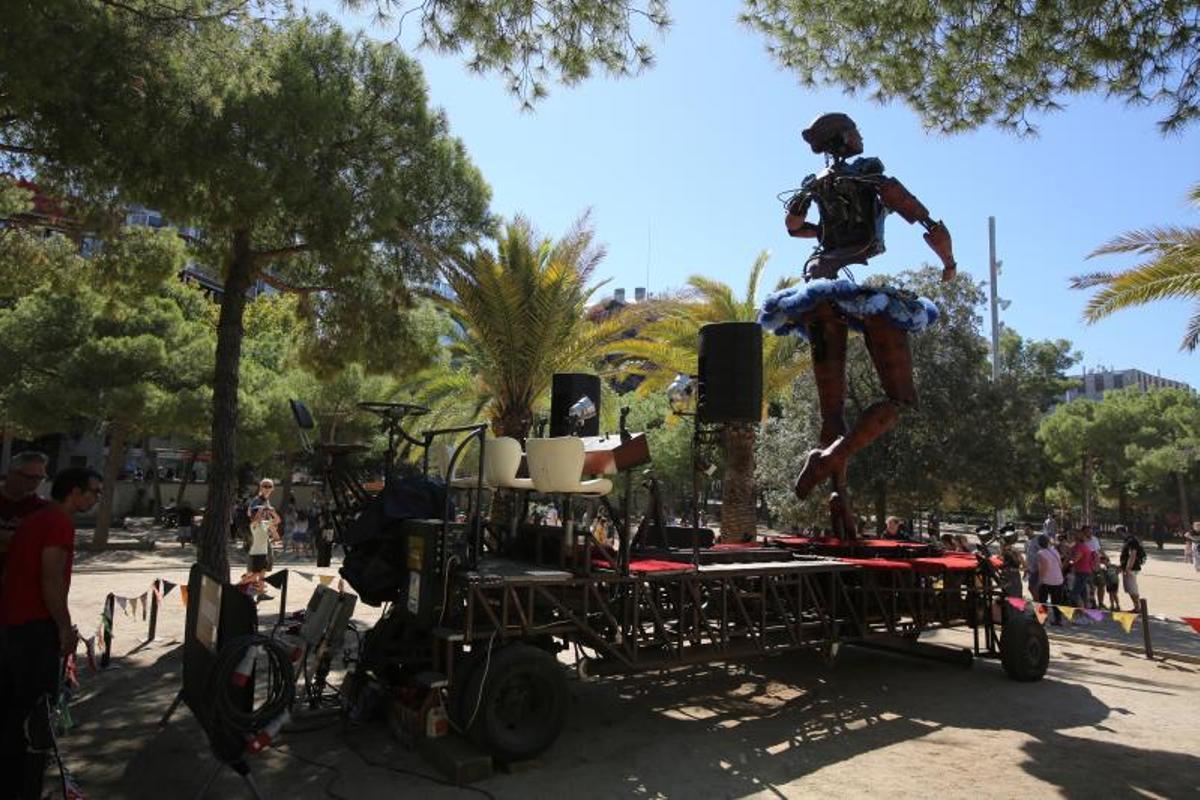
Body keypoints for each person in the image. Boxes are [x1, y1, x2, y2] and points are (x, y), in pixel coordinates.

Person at [760, 112, 956, 538]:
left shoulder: (815, 182)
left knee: (832, 411)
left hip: (816, 288)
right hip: (859, 295)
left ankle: (838, 499)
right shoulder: (873, 177)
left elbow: (793, 227)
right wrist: (949, 263)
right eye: (856, 130)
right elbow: (926, 220)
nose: (861, 135)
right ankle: (830, 460)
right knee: (901, 399)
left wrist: (823, 230)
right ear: (845, 139)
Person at [0, 467, 102, 799]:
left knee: (15, 711)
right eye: (94, 491)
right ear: (74, 492)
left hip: (14, 624)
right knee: (34, 712)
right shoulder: (58, 522)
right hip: (32, 629)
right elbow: (51, 578)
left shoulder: (38, 518)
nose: (97, 497)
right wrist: (63, 627)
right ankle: (25, 783)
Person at [0, 452, 50, 577]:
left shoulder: (43, 508)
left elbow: (42, 545)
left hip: (20, 580)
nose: (35, 482)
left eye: (40, 478)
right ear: (12, 473)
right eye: (30, 477)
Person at [1035, 534, 1066, 625]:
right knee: (1056, 602)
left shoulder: (1040, 553)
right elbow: (1060, 564)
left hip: (1047, 581)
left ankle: (1042, 619)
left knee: (1042, 600)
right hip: (1058, 579)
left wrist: (1040, 581)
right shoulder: (1054, 551)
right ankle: (1058, 620)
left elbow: (1044, 568)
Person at [1069, 529, 1096, 609]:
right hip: (1083, 572)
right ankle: (1087, 610)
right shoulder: (1081, 546)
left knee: (1074, 594)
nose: (1069, 538)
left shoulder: (1080, 547)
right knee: (1083, 594)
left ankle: (1082, 611)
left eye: (1070, 536)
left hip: (1082, 572)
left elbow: (1075, 559)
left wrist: (1068, 561)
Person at [1119, 531, 1147, 608]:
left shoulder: (1132, 541)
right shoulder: (1128, 540)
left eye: (1118, 532)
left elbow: (1133, 554)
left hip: (1131, 568)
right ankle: (1137, 606)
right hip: (1129, 567)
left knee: (1132, 588)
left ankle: (1138, 607)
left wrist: (1128, 568)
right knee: (1130, 588)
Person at [1023, 523, 1041, 599]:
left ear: (1032, 530)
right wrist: (1025, 569)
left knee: (1033, 588)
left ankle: (1039, 605)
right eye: (1025, 529)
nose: (1026, 531)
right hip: (1030, 569)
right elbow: (1027, 556)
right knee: (1032, 588)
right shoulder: (1026, 542)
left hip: (1037, 569)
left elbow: (1042, 553)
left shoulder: (1037, 540)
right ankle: (1038, 603)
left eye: (1028, 529)